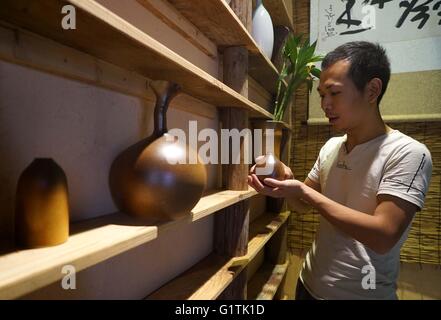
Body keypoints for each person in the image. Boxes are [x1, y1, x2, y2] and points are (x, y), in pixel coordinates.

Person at [248, 41, 433, 300]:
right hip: (308, 283)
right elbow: (301, 204)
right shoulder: (332, 146)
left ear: (372, 90)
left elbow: (383, 236)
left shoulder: (409, 153)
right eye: (322, 95)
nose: (325, 104)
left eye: (334, 93)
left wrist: (303, 190)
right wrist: (285, 179)